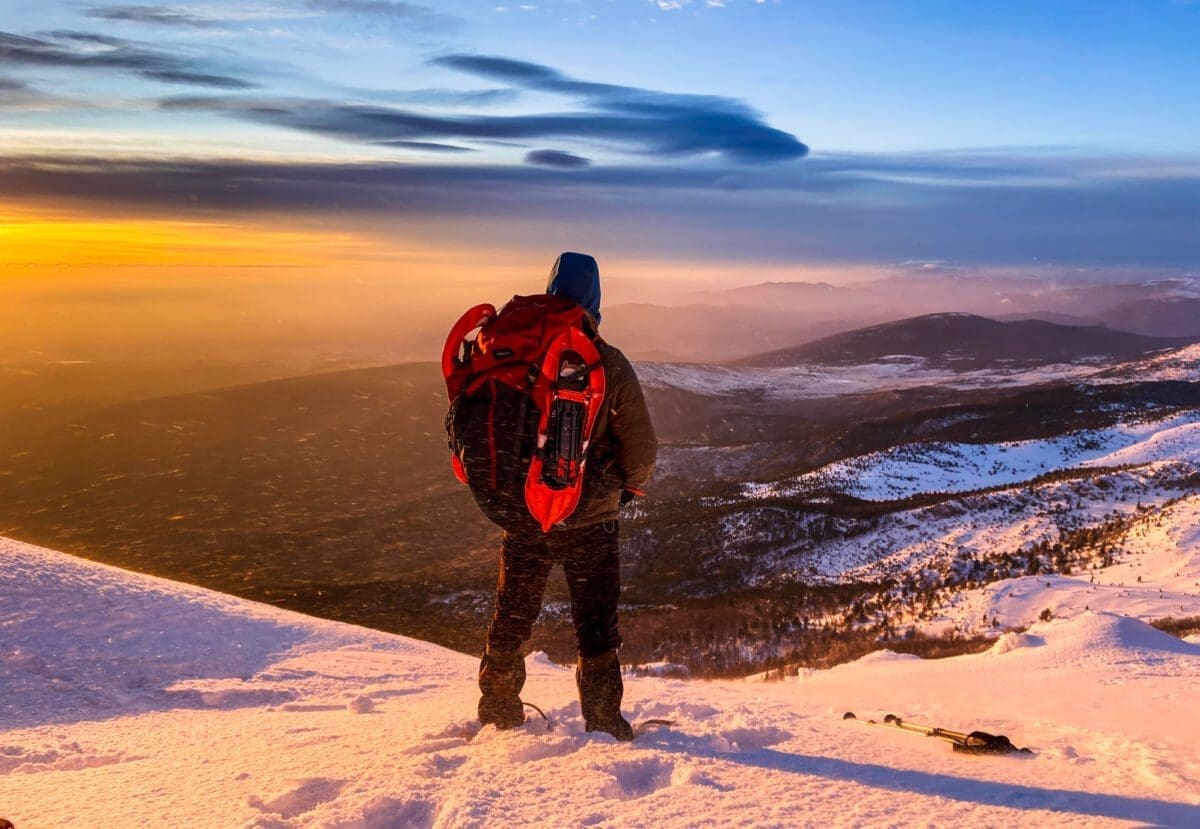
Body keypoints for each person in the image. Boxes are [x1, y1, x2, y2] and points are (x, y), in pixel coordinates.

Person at [477, 251, 657, 741]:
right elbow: (641, 449)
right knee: (595, 623)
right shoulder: (606, 362)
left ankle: (497, 707)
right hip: (589, 519)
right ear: (594, 301)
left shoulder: (513, 348)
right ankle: (601, 721)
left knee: (513, 611)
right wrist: (624, 490)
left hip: (524, 514)